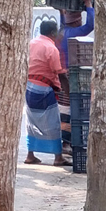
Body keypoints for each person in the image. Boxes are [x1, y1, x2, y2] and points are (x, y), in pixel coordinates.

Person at [24, 21, 69, 166]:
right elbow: (60, 73)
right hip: (43, 89)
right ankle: (58, 157)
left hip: (29, 86)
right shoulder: (51, 48)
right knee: (53, 122)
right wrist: (68, 91)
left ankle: (30, 155)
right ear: (53, 33)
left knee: (31, 122)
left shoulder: (32, 43)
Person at [58, 0, 95, 153]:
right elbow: (91, 25)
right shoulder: (74, 32)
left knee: (65, 107)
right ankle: (66, 143)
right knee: (70, 108)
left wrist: (61, 12)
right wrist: (88, 4)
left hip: (61, 74)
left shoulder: (62, 31)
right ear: (76, 22)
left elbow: (63, 22)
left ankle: (65, 142)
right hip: (69, 75)